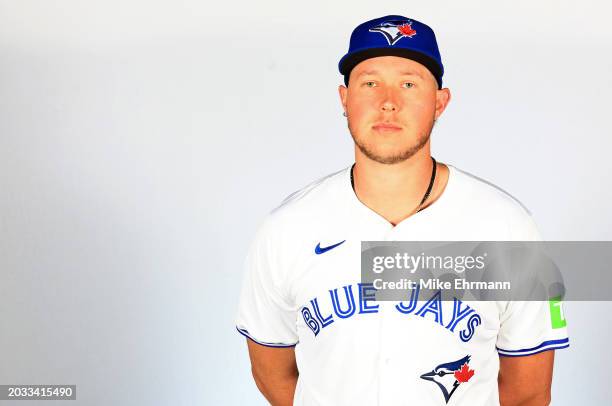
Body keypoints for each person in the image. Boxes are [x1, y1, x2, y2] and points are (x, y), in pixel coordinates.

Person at [235, 15, 569, 405]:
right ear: (345, 98)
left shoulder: (509, 229)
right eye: (370, 83)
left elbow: (528, 393)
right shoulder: (286, 230)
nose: (388, 102)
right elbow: (271, 373)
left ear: (440, 102)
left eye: (409, 83)